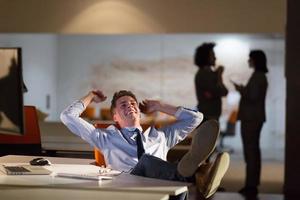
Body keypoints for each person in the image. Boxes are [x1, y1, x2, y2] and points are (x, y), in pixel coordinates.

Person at [61, 90, 230, 199]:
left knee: (178, 188)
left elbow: (196, 118)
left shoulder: (161, 136)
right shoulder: (104, 137)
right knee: (147, 161)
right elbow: (68, 116)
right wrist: (91, 96)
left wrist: (158, 106)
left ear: (139, 113)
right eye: (123, 105)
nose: (130, 106)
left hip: (164, 190)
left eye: (133, 103)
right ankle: (199, 174)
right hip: (127, 189)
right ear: (115, 117)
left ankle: (192, 174)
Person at [232, 50, 268, 196]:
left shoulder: (258, 76)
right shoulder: (260, 76)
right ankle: (252, 183)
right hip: (254, 117)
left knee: (251, 152)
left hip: (250, 118)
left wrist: (241, 90)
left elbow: (252, 96)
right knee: (253, 151)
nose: (248, 61)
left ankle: (251, 185)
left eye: (250, 58)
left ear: (255, 60)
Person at [194, 42, 228, 122]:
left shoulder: (210, 74)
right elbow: (222, 91)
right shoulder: (203, 74)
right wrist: (219, 76)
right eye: (212, 55)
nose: (215, 58)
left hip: (211, 115)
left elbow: (224, 92)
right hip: (208, 116)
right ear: (206, 57)